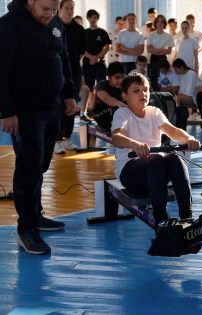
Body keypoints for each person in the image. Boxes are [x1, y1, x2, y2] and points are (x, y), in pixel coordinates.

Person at [0, 0, 79, 255]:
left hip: (51, 107)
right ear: (30, 1)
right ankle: (27, 230)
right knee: (29, 166)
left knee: (42, 164)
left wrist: (69, 94)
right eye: (46, 9)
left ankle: (35, 215)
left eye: (54, 9)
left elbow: (63, 57)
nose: (50, 14)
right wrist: (6, 112)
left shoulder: (54, 22)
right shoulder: (9, 25)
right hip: (24, 111)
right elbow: (1, 70)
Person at [111, 73, 201, 225]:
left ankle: (187, 216)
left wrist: (189, 139)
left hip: (155, 172)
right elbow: (116, 137)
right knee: (157, 158)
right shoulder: (122, 114)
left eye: (145, 90)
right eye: (136, 91)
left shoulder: (154, 112)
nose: (143, 94)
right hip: (131, 173)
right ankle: (161, 219)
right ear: (125, 96)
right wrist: (134, 144)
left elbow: (172, 130)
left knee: (175, 158)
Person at [54, 0, 86, 154]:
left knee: (72, 105)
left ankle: (67, 137)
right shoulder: (52, 25)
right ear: (59, 9)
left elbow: (81, 51)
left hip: (74, 71)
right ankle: (57, 139)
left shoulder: (79, 29)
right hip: (56, 72)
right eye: (66, 8)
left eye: (72, 8)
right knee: (59, 105)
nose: (69, 11)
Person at [89, 62, 126, 134]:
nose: (120, 80)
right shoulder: (101, 85)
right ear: (109, 77)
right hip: (102, 115)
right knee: (114, 109)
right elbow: (108, 99)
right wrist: (123, 106)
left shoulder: (124, 87)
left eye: (122, 77)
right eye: (117, 77)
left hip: (115, 115)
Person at [82, 9, 111, 91]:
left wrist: (97, 58)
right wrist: (91, 57)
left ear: (97, 19)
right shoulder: (84, 32)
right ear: (88, 19)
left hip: (100, 63)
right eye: (91, 18)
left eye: (95, 18)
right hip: (88, 63)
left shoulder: (102, 32)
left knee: (101, 86)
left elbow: (107, 47)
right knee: (88, 87)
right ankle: (89, 104)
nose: (93, 20)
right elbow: (81, 48)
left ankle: (99, 103)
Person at [172, 58, 200, 129]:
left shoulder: (191, 74)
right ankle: (179, 117)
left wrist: (178, 96)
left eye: (176, 69)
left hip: (194, 99)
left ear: (181, 67)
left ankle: (177, 117)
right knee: (174, 97)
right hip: (187, 97)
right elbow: (181, 92)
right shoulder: (182, 75)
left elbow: (189, 93)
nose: (175, 72)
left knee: (178, 97)